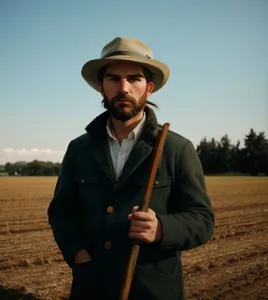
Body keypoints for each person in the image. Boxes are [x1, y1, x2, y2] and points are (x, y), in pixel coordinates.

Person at [47, 37, 215, 300]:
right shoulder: (78, 149)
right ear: (102, 87)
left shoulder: (176, 148)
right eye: (113, 79)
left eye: (134, 79)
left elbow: (203, 220)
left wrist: (162, 229)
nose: (123, 88)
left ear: (148, 88)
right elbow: (62, 210)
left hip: (153, 291)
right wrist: (79, 256)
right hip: (91, 288)